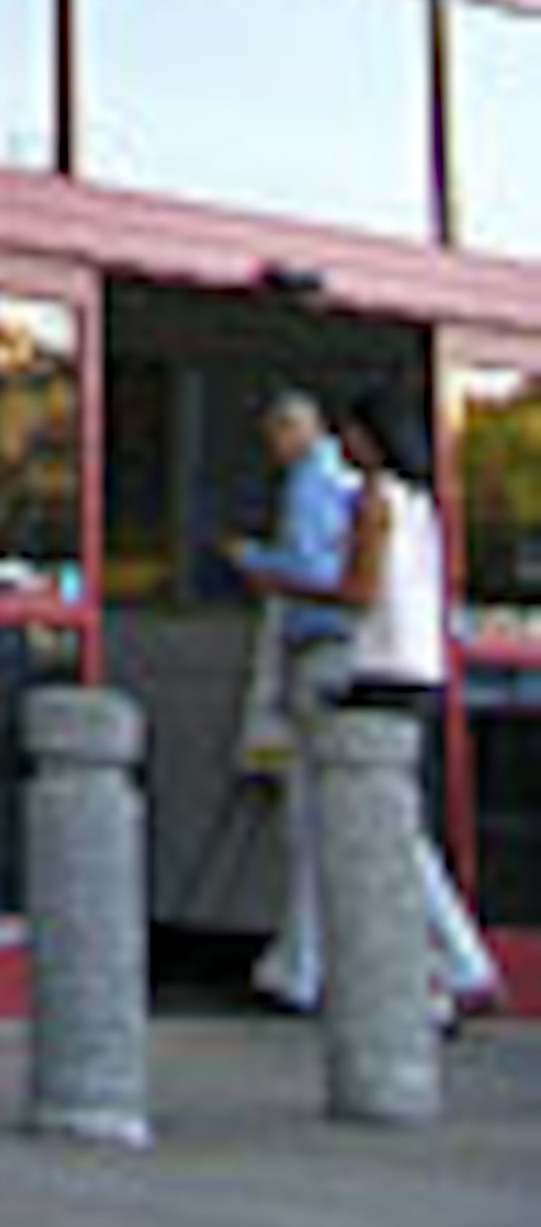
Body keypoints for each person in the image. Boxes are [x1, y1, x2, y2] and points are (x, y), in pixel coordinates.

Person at [326, 389, 499, 1027]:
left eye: (347, 434)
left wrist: (281, 578)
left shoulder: (372, 500)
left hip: (380, 668)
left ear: (369, 439)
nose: (341, 447)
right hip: (420, 668)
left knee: (388, 828)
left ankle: (457, 959)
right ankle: (440, 966)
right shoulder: (424, 506)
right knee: (396, 822)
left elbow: (358, 589)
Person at [224, 384, 361, 1015]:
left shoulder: (311, 484)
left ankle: (302, 967)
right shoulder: (351, 485)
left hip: (319, 651)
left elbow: (310, 571)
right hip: (354, 654)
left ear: (295, 430)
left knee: (311, 814)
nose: (272, 451)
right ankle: (299, 962)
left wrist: (253, 560)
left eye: (274, 436)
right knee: (327, 812)